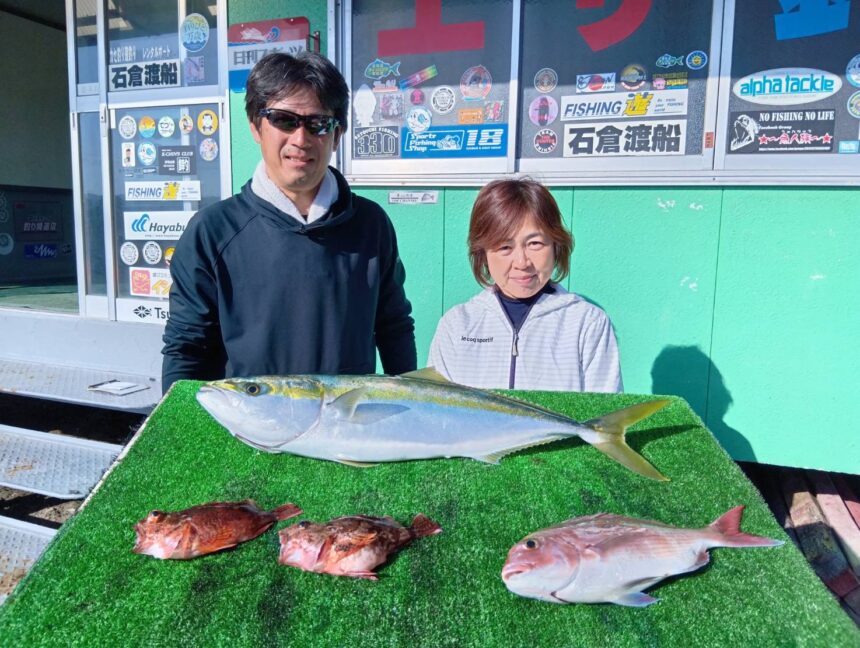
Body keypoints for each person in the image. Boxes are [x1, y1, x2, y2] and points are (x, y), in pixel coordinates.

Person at [162, 52, 416, 392]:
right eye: (283, 120)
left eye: (318, 123)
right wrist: (179, 421)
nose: (300, 139)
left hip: (345, 420)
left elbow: (394, 325)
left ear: (337, 134)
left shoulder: (371, 224)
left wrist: (412, 404)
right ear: (255, 126)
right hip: (248, 421)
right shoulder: (212, 232)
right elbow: (187, 348)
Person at [427, 178, 622, 392]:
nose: (522, 262)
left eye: (535, 243)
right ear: (482, 254)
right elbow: (436, 406)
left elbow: (607, 409)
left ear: (556, 246)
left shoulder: (587, 323)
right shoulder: (456, 325)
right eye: (504, 247)